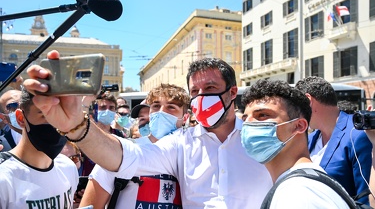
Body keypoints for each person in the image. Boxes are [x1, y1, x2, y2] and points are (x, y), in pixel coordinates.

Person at [23, 51, 272, 208]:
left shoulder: (264, 138)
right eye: (194, 91)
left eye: (209, 88)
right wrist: (77, 126)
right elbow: (129, 157)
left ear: (232, 93)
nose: (201, 97)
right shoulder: (181, 143)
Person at [240, 79, 349, 208]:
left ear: (299, 126)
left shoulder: (297, 194)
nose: (248, 124)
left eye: (262, 115)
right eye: (245, 118)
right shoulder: (301, 184)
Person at [80, 83, 189, 208]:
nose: (161, 112)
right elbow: (91, 204)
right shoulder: (122, 152)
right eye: (156, 106)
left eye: (171, 107)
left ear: (185, 118)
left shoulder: (192, 155)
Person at [295, 76, 372, 204]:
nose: (296, 114)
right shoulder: (309, 140)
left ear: (308, 101)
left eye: (296, 107)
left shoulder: (358, 134)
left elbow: (366, 198)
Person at [0, 88, 78, 208]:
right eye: (46, 115)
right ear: (21, 118)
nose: (56, 124)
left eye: (63, 116)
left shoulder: (68, 168)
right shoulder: (4, 177)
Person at [81, 91, 124, 176]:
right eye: (103, 107)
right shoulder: (87, 131)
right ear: (94, 110)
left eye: (111, 108)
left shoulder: (119, 135)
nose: (107, 110)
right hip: (88, 181)